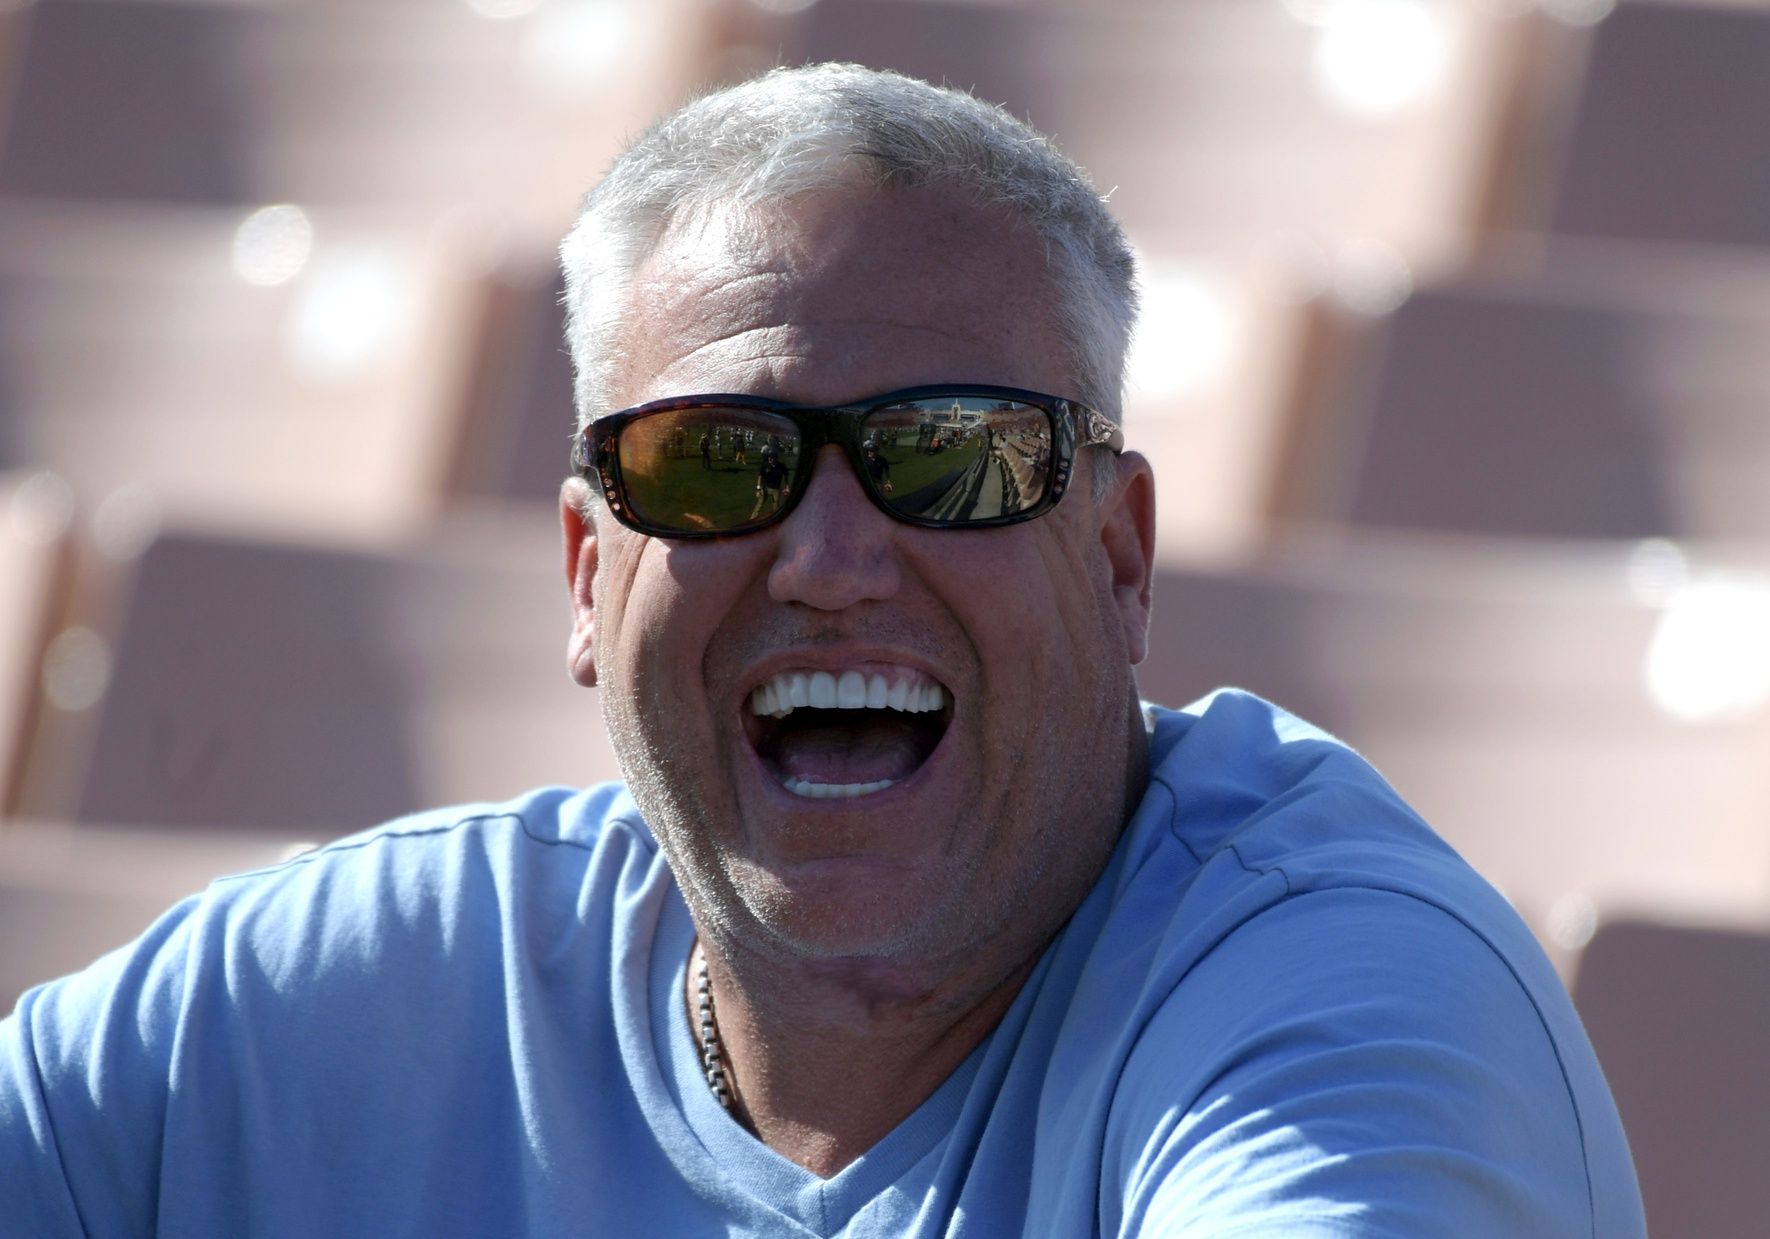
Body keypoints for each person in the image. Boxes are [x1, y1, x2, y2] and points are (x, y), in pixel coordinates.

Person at [1, 64, 1644, 1237]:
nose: (834, 562)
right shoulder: (334, 997)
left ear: (1120, 555)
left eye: (952, 453)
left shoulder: (1332, 997)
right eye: (712, 463)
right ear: (588, 576)